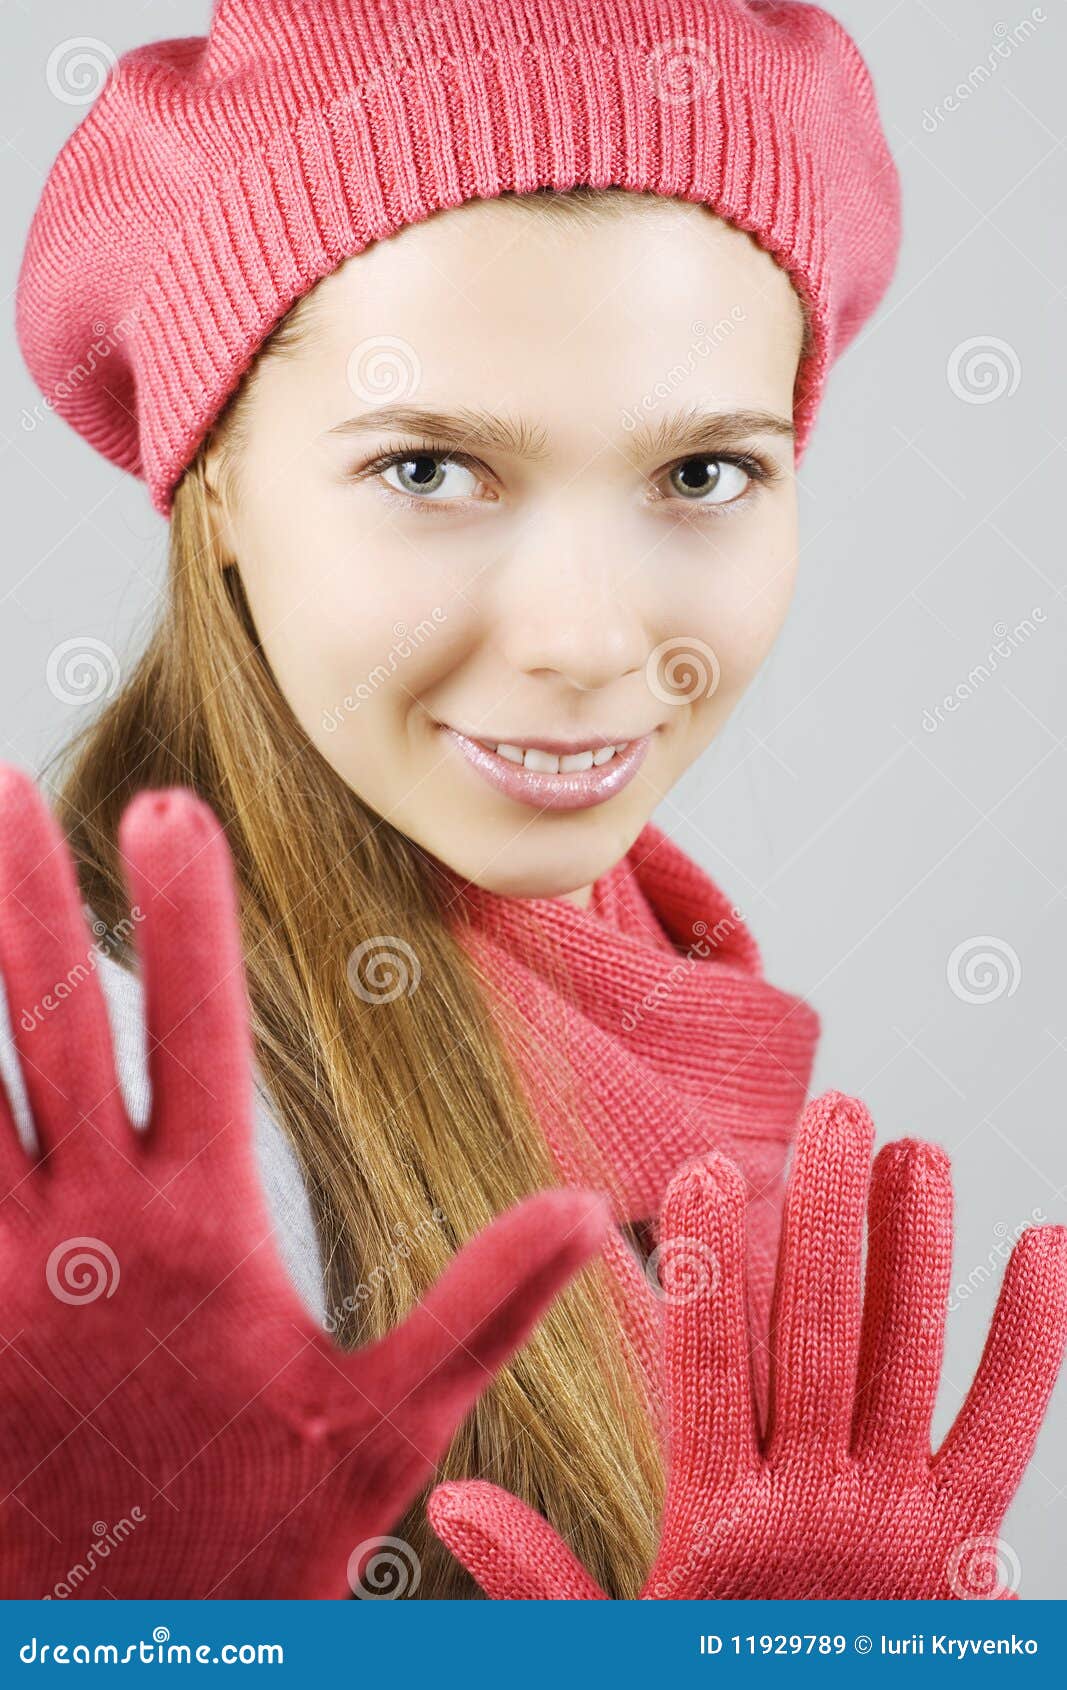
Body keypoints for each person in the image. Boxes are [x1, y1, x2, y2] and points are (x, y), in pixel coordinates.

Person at [6, 0, 1063, 1600]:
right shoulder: (81, 1126)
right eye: (429, 468)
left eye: (704, 472)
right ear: (212, 475)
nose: (585, 639)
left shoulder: (667, 996)